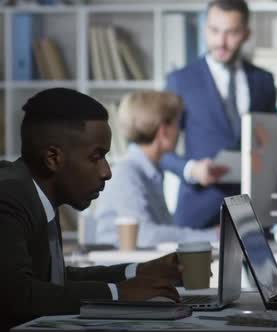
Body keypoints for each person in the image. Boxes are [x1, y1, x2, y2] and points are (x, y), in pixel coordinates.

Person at [0, 88, 183, 329]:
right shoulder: (8, 197)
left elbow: (56, 280)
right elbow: (16, 296)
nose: (106, 172)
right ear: (53, 158)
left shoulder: (37, 195)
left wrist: (137, 271)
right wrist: (117, 294)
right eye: (96, 157)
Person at [162, 0, 277, 230]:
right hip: (199, 208)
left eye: (231, 33)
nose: (221, 42)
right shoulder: (181, 80)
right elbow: (161, 151)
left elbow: (271, 141)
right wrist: (191, 169)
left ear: (246, 34)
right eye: (214, 31)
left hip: (253, 210)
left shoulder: (263, 81)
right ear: (205, 29)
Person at [93, 91, 218, 248]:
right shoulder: (126, 173)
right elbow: (144, 235)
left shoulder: (151, 172)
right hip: (119, 269)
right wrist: (213, 235)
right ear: (163, 131)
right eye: (177, 124)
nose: (180, 132)